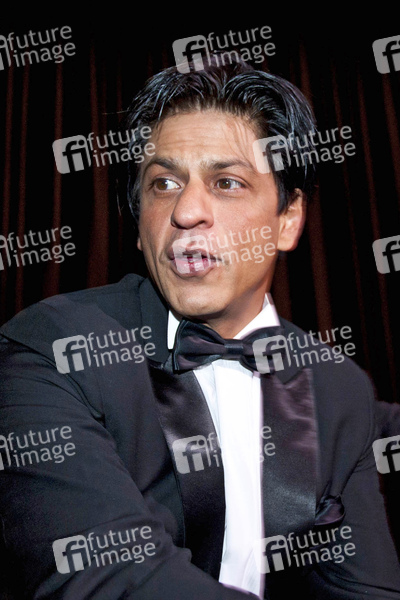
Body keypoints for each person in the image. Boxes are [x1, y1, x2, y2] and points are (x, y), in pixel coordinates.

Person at [0, 59, 399, 600]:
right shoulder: (50, 350)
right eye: (163, 183)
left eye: (227, 183)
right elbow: (108, 579)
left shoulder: (340, 387)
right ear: (139, 225)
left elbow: (366, 589)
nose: (186, 211)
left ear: (287, 220)